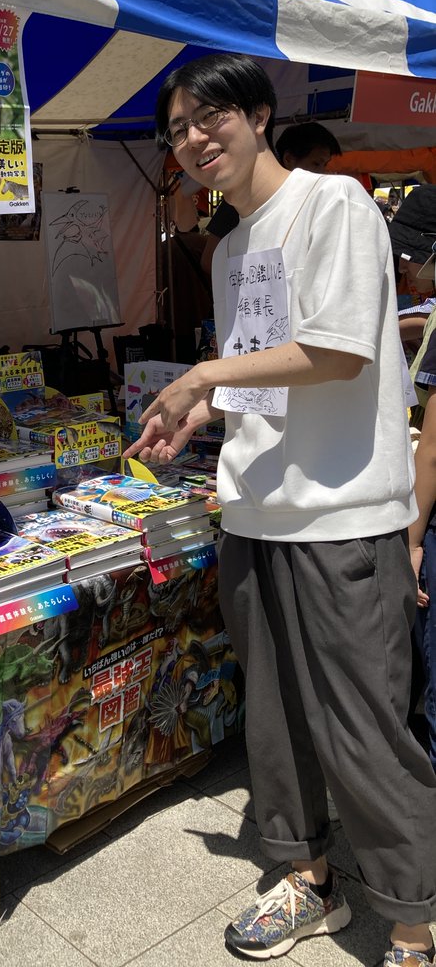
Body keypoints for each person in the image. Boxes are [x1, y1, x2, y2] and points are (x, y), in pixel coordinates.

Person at [127, 52, 436, 967]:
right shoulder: (228, 249)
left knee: (366, 728)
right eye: (176, 130)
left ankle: (415, 923)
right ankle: (309, 880)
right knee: (276, 718)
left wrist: (204, 373)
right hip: (255, 513)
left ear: (258, 114)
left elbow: (338, 353)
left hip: (343, 514)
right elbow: (269, 375)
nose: (191, 140)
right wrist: (202, 410)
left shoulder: (332, 205)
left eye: (206, 118)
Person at [199, 119, 342, 273]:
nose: (322, 172)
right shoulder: (242, 200)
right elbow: (209, 260)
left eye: (324, 165)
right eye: (316, 164)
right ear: (288, 159)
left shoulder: (318, 201)